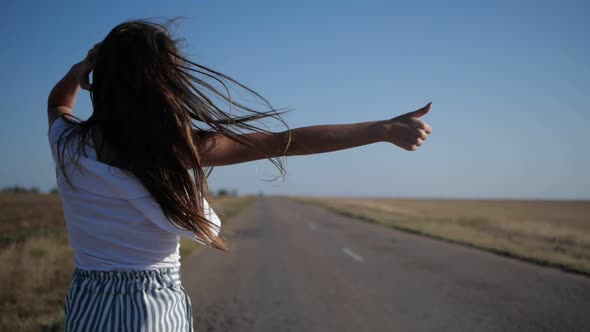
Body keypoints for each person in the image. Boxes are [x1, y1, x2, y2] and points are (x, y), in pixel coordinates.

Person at [47, 19, 432, 332]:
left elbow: (59, 102)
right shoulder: (176, 149)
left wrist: (81, 68)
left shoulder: (66, 142)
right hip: (151, 307)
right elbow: (285, 141)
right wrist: (380, 130)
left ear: (103, 78)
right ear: (164, 83)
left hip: (87, 300)